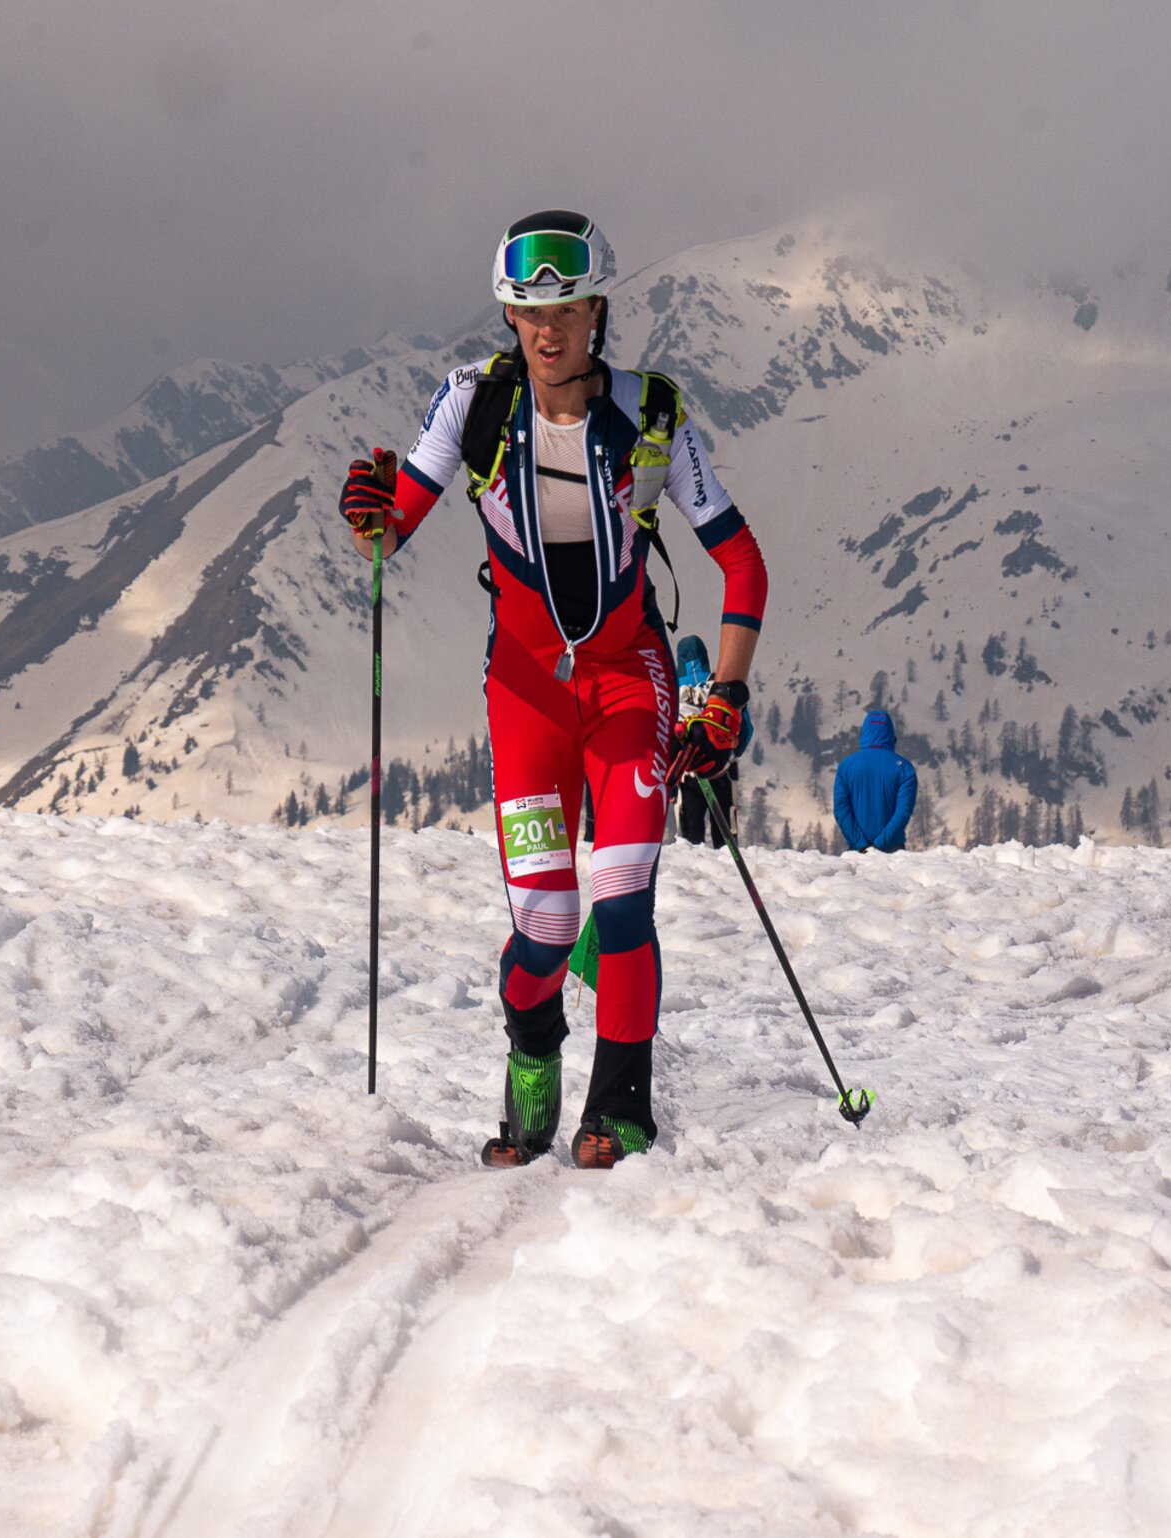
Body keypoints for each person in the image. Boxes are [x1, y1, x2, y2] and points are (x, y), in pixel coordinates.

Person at [337, 210, 768, 1169]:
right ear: (507, 318)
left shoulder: (651, 413)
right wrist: (368, 507)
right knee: (544, 923)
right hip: (525, 691)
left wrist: (725, 697)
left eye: (566, 309)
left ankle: (618, 1111)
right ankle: (533, 1050)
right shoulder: (471, 404)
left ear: (597, 312)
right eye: (528, 312)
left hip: (628, 680)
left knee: (620, 895)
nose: (547, 330)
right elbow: (388, 530)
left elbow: (742, 562)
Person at [673, 633, 754, 847]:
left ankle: (695, 874)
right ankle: (728, 869)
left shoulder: (672, 688)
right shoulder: (720, 686)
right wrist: (732, 753)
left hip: (688, 772)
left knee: (690, 836)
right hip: (722, 768)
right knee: (726, 835)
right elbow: (745, 730)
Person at [833, 710, 918, 853]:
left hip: (857, 850)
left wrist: (860, 844)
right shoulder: (905, 768)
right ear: (891, 735)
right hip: (893, 850)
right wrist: (879, 844)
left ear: (864, 733)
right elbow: (903, 812)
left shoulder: (846, 766)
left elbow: (841, 810)